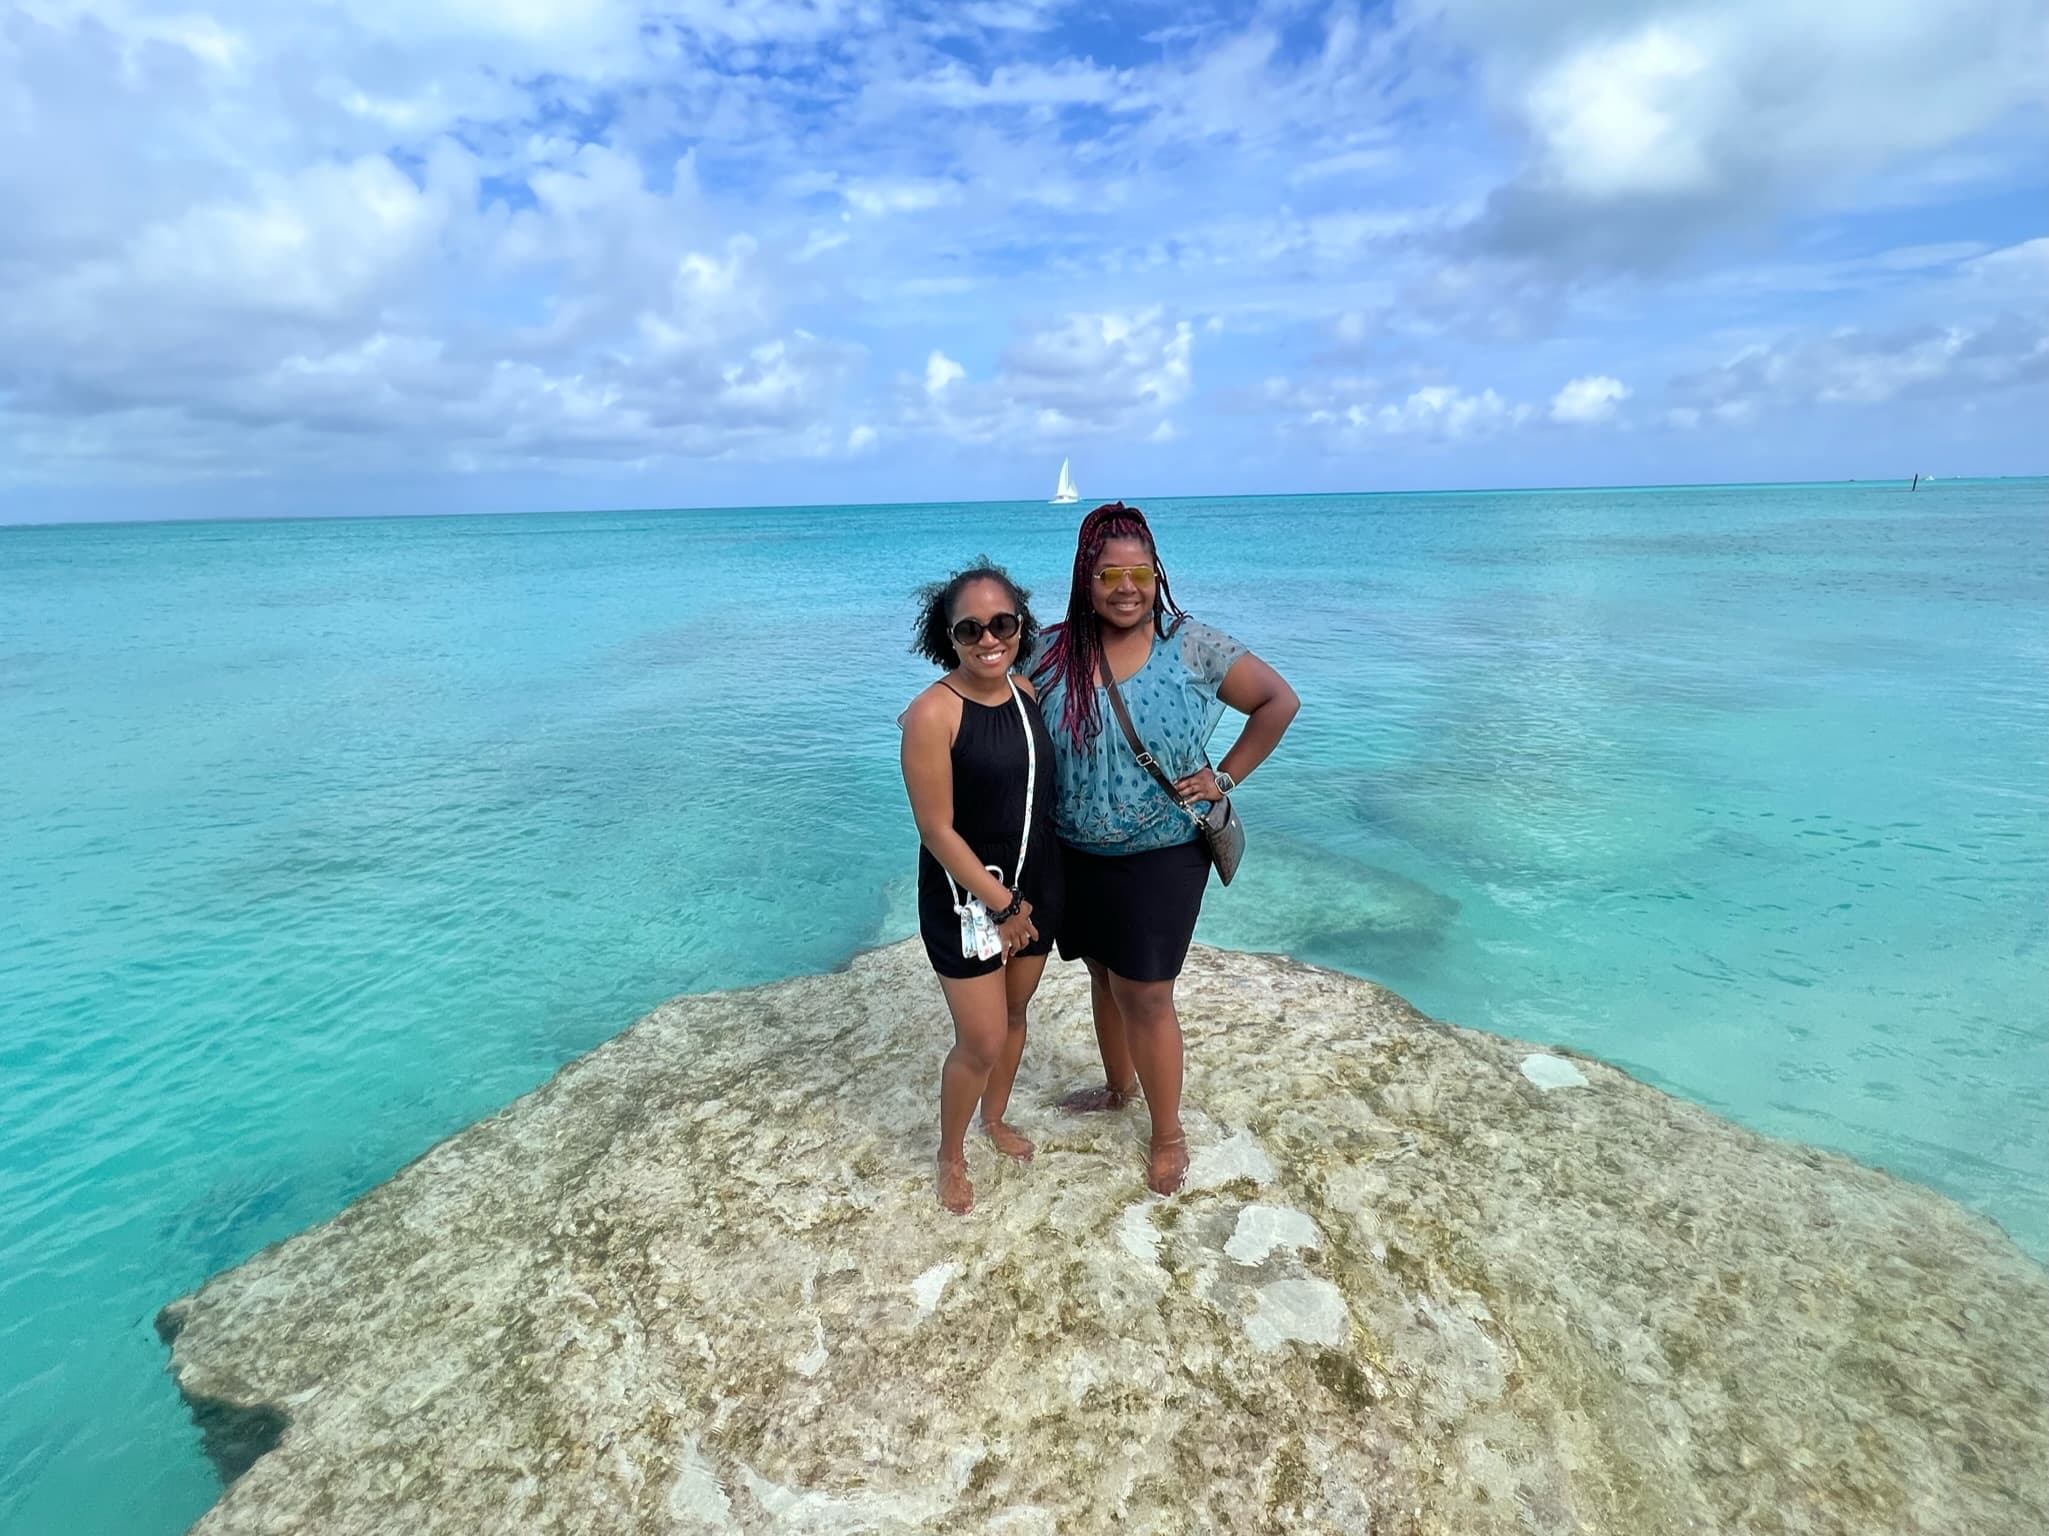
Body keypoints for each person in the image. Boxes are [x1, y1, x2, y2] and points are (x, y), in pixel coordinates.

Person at [1032, 503, 1299, 1194]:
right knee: (1100, 973)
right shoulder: (1050, 653)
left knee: (1145, 993)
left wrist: (1224, 776)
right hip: (1075, 848)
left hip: (1162, 848)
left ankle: (1168, 1132)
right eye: (1108, 573)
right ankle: (1117, 1088)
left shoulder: (1190, 645)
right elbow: (990, 711)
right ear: (1084, 580)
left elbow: (1277, 701)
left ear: (1157, 575)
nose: (1126, 587)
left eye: (1139, 572)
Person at [899, 560, 1064, 1215]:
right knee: (980, 1041)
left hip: (1036, 888)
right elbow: (937, 830)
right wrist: (1005, 908)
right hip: (968, 900)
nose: (988, 638)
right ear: (948, 637)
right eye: (970, 629)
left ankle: (993, 1119)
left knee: (1016, 1018)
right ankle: (950, 1152)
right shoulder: (931, 714)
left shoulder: (1026, 693)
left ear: (1020, 624)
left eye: (1002, 623)